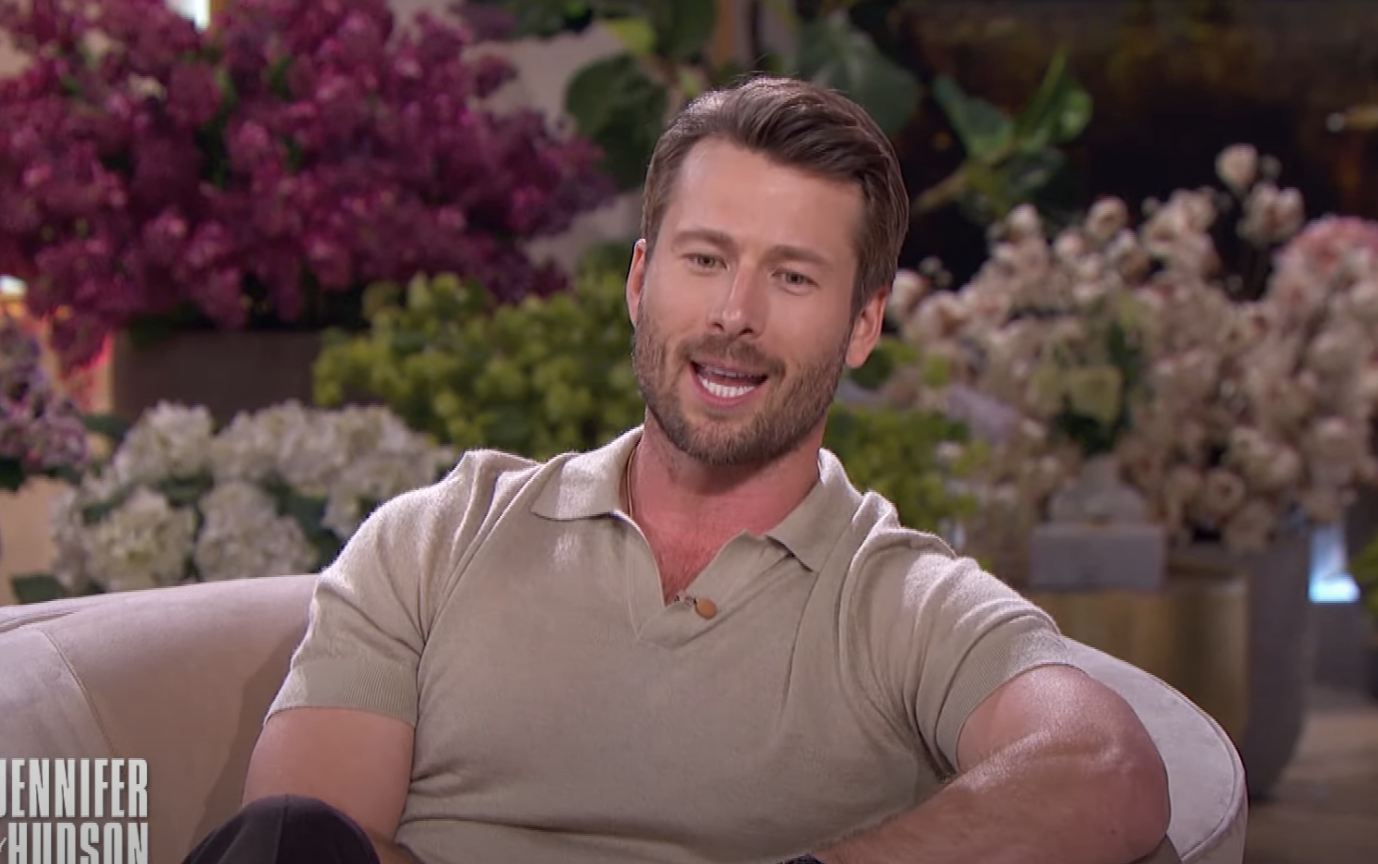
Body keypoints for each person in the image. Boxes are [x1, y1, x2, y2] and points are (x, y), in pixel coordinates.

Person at [184, 75, 1171, 864]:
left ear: (863, 323)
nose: (733, 314)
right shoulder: (435, 538)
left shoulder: (900, 599)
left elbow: (1106, 767)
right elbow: (305, 835)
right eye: (704, 260)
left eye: (791, 276)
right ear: (638, 279)